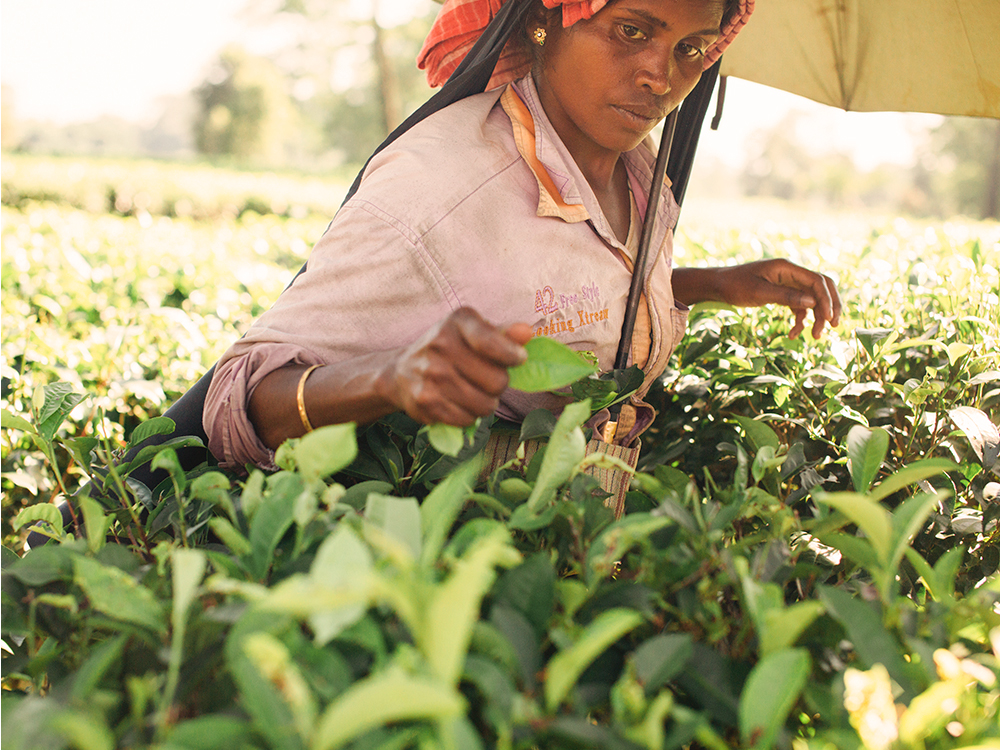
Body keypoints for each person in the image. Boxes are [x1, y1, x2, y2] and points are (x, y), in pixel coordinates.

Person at [203, 0, 841, 480]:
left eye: (693, 47)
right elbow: (240, 397)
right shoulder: (442, 185)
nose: (661, 76)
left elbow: (548, 291)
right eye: (632, 30)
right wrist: (390, 377)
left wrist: (709, 285)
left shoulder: (642, 171)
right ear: (545, 19)